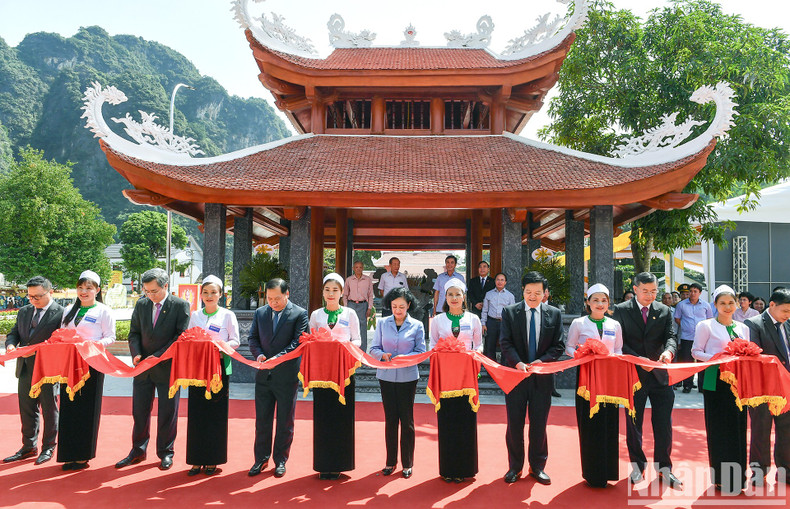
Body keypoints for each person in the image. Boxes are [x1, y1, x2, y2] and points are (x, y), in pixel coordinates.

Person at [116, 268, 190, 471]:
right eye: (147, 291)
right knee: (139, 411)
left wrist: (158, 356)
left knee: (168, 412)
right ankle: (137, 451)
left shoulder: (180, 305)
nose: (150, 295)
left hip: (167, 368)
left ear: (166, 286)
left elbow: (180, 337)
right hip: (143, 368)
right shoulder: (141, 304)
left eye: (154, 291)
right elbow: (134, 333)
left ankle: (166, 452)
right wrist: (136, 354)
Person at [613, 272, 681, 488]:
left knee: (664, 424)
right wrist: (636, 358)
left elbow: (671, 336)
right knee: (634, 424)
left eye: (654, 291)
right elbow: (617, 341)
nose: (650, 295)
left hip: (660, 375)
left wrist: (669, 352)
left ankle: (664, 469)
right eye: (645, 291)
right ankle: (637, 466)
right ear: (635, 289)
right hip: (633, 375)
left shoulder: (664, 310)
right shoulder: (621, 310)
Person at [499, 271, 564, 486]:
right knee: (514, 424)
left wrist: (542, 361)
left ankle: (537, 466)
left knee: (539, 425)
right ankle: (514, 467)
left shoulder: (553, 314)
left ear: (545, 293)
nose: (533, 296)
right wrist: (517, 362)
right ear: (523, 291)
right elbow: (505, 342)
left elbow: (559, 346)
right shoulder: (509, 312)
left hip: (541, 379)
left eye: (537, 292)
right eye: (528, 292)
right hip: (516, 376)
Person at [692, 285, 749, 494]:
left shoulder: (743, 328)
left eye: (731, 302)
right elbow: (696, 351)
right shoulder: (705, 326)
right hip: (714, 380)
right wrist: (719, 359)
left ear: (737, 304)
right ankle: (721, 479)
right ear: (715, 305)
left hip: (738, 382)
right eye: (722, 303)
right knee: (718, 427)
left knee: (738, 427)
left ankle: (739, 478)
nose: (727, 307)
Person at [248, 278, 308, 478]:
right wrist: (259, 355)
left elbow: (298, 342)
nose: (273, 302)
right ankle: (261, 459)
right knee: (262, 420)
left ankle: (280, 460)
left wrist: (276, 358)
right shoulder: (260, 313)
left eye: (277, 298)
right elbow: (253, 338)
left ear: (287, 294)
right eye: (269, 298)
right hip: (263, 375)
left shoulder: (299, 314)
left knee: (285, 420)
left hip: (286, 375)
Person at [565, 283, 623, 488]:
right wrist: (582, 354)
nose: (600, 304)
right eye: (595, 300)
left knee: (609, 422)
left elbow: (619, 350)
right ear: (588, 302)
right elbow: (569, 348)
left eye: (604, 300)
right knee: (590, 423)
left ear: (609, 303)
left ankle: (608, 471)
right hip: (587, 380)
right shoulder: (579, 324)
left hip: (609, 381)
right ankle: (592, 472)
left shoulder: (614, 324)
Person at [3, 276, 64, 466]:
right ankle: (28, 446)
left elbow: (63, 341)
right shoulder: (25, 311)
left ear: (50, 292)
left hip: (48, 370)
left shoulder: (61, 313)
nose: (33, 300)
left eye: (38, 296)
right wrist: (11, 344)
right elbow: (14, 332)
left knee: (49, 409)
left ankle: (48, 447)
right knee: (27, 409)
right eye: (30, 296)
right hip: (25, 368)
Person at [58, 270, 115, 471]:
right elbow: (62, 334)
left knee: (87, 408)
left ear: (97, 290)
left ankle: (82, 455)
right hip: (70, 364)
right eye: (81, 287)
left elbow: (110, 337)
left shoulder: (103, 311)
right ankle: (67, 454)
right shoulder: (68, 310)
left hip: (92, 365)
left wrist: (92, 345)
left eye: (89, 288)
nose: (84, 291)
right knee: (68, 406)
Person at [369, 287, 426, 479]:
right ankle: (390, 462)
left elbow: (421, 352)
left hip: (408, 377)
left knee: (407, 420)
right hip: (385, 376)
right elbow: (373, 347)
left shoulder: (417, 325)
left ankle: (407, 463)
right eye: (394, 306)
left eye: (402, 306)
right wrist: (381, 355)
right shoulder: (383, 323)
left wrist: (405, 357)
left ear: (409, 305)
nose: (398, 310)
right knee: (390, 419)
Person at [429, 278, 482, 482]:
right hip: (446, 380)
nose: (454, 298)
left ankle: (465, 468)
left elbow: (479, 346)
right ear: (445, 297)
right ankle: (449, 469)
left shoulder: (473, 319)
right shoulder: (439, 320)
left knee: (465, 420)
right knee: (448, 421)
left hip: (466, 378)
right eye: (450, 294)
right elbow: (433, 344)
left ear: (464, 297)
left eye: (457, 294)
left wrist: (472, 357)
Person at [185, 275, 239, 476]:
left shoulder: (227, 315)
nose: (209, 296)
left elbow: (235, 341)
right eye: (205, 292)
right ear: (200, 295)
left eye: (213, 292)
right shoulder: (195, 315)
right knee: (197, 414)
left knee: (215, 414)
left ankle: (212, 460)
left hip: (219, 369)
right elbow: (188, 338)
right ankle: (196, 460)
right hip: (198, 370)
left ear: (221, 295)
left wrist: (218, 346)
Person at [309, 273, 361, 480]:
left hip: (345, 373)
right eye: (327, 290)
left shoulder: (350, 314)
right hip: (323, 374)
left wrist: (344, 346)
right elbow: (311, 339)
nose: (331, 294)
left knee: (342, 417)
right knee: (323, 417)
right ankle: (324, 464)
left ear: (342, 293)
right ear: (322, 292)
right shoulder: (316, 315)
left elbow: (357, 340)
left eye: (335, 290)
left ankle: (341, 462)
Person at [745, 288, 790, 487]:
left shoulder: (787, 324)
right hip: (762, 389)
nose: (788, 315)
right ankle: (758, 472)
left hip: (786, 387)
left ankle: (786, 471)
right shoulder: (753, 324)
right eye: (785, 310)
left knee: (787, 430)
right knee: (761, 430)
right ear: (772, 305)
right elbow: (754, 357)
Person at [674, 282, 712, 393]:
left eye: (695, 291)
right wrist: (686, 326)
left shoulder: (706, 305)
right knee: (687, 361)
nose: (692, 293)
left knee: (702, 361)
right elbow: (677, 318)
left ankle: (702, 386)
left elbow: (710, 320)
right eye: (691, 291)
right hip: (687, 337)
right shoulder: (681, 305)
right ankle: (687, 385)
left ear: (700, 293)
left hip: (703, 338)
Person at [481, 273, 515, 361]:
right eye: (498, 280)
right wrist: (483, 324)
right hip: (491, 322)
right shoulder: (489, 294)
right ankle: (491, 368)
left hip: (504, 323)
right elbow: (485, 310)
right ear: (495, 281)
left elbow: (512, 313)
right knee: (490, 345)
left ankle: (503, 367)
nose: (500, 282)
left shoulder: (510, 296)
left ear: (505, 282)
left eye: (502, 280)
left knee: (504, 345)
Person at [342, 260, 375, 352]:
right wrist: (346, 307)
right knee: (349, 327)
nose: (358, 269)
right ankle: (350, 352)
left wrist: (369, 308)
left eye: (360, 267)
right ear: (353, 268)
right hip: (351, 305)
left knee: (362, 328)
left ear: (363, 268)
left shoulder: (368, 280)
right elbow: (345, 295)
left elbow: (370, 295)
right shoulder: (349, 280)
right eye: (356, 267)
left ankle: (362, 353)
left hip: (363, 305)